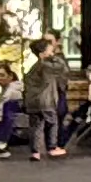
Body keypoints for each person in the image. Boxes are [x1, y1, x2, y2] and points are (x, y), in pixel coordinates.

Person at [25, 24, 75, 157]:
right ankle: (52, 147)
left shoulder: (34, 67)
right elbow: (61, 68)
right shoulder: (47, 65)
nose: (53, 52)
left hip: (33, 102)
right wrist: (54, 56)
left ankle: (35, 152)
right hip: (45, 101)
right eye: (50, 50)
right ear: (43, 54)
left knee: (35, 126)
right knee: (52, 123)